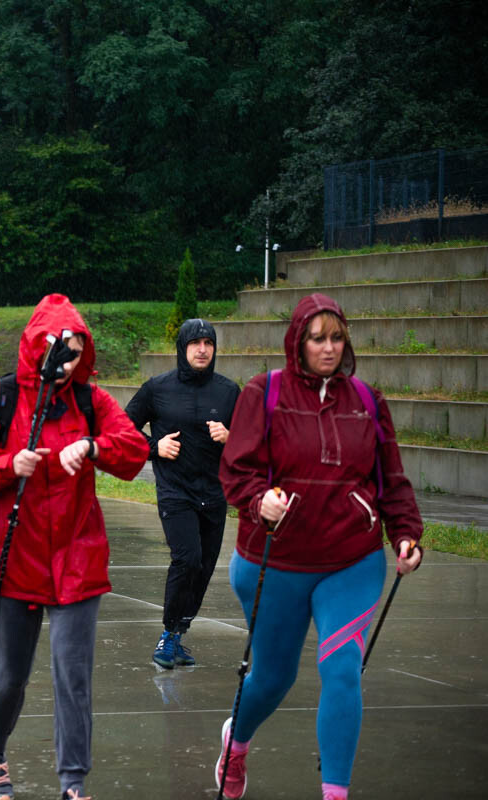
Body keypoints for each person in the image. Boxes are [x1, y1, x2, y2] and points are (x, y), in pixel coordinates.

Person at [213, 293, 423, 800]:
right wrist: (258, 500)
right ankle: (236, 744)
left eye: (336, 338)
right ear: (298, 342)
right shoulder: (264, 392)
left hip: (350, 560)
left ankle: (334, 794)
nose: (328, 348)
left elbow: (390, 477)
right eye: (317, 338)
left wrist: (405, 532)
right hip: (274, 559)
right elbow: (235, 469)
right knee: (272, 678)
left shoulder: (367, 402)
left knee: (341, 669)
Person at [0, 294, 148, 800]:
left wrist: (97, 447)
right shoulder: (1, 398)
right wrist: (7, 465)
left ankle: (73, 783)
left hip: (77, 557)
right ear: (35, 346)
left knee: (72, 677)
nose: (68, 362)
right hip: (15, 559)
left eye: (77, 353)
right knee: (10, 675)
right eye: (60, 350)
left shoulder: (91, 401)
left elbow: (135, 452)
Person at [125, 318, 239, 669]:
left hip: (214, 493)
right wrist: (154, 447)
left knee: (204, 567)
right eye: (195, 343)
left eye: (208, 343)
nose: (202, 349)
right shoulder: (157, 388)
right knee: (187, 558)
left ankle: (179, 632)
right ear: (182, 348)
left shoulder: (229, 391)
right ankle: (168, 636)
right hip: (175, 492)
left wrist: (231, 437)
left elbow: (254, 443)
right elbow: (122, 428)